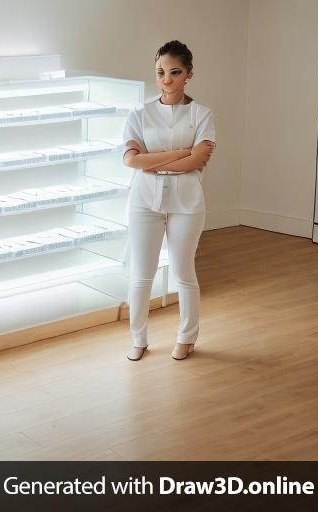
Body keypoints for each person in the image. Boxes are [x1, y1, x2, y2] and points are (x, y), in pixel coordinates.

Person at [121, 40, 216, 361]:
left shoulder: (203, 114)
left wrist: (154, 159)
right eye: (161, 72)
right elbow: (131, 161)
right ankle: (138, 338)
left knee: (183, 272)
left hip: (187, 203)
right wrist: (180, 152)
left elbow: (198, 161)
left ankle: (187, 337)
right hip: (144, 201)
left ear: (188, 74)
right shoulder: (140, 113)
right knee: (141, 273)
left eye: (174, 72)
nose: (166, 79)